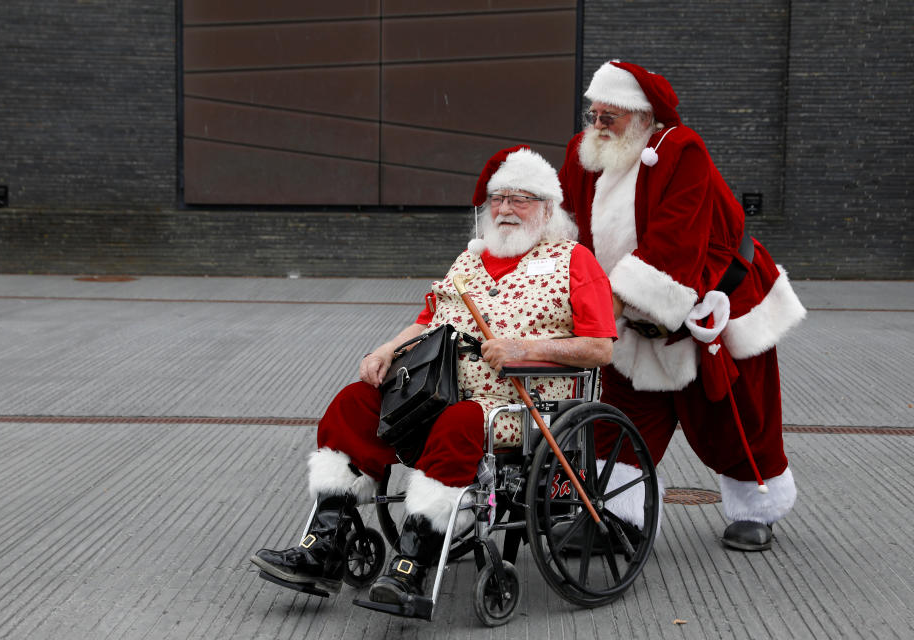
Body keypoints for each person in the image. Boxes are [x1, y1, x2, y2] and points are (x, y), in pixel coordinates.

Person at [251, 146, 620, 605]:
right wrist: (386, 350)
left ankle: (410, 566)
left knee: (459, 422)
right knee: (353, 404)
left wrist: (525, 348)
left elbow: (601, 347)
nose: (504, 209)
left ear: (547, 208)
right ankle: (323, 547)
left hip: (522, 405)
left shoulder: (573, 261)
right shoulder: (469, 260)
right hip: (436, 390)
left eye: (518, 199)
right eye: (497, 199)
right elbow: (428, 322)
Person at [557, 60, 807, 551]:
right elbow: (564, 228)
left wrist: (602, 303)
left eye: (612, 116)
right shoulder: (583, 154)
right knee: (623, 418)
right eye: (595, 114)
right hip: (630, 317)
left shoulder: (681, 151)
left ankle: (758, 506)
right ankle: (617, 515)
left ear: (644, 116)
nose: (599, 126)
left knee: (734, 421)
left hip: (717, 305)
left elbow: (675, 248)